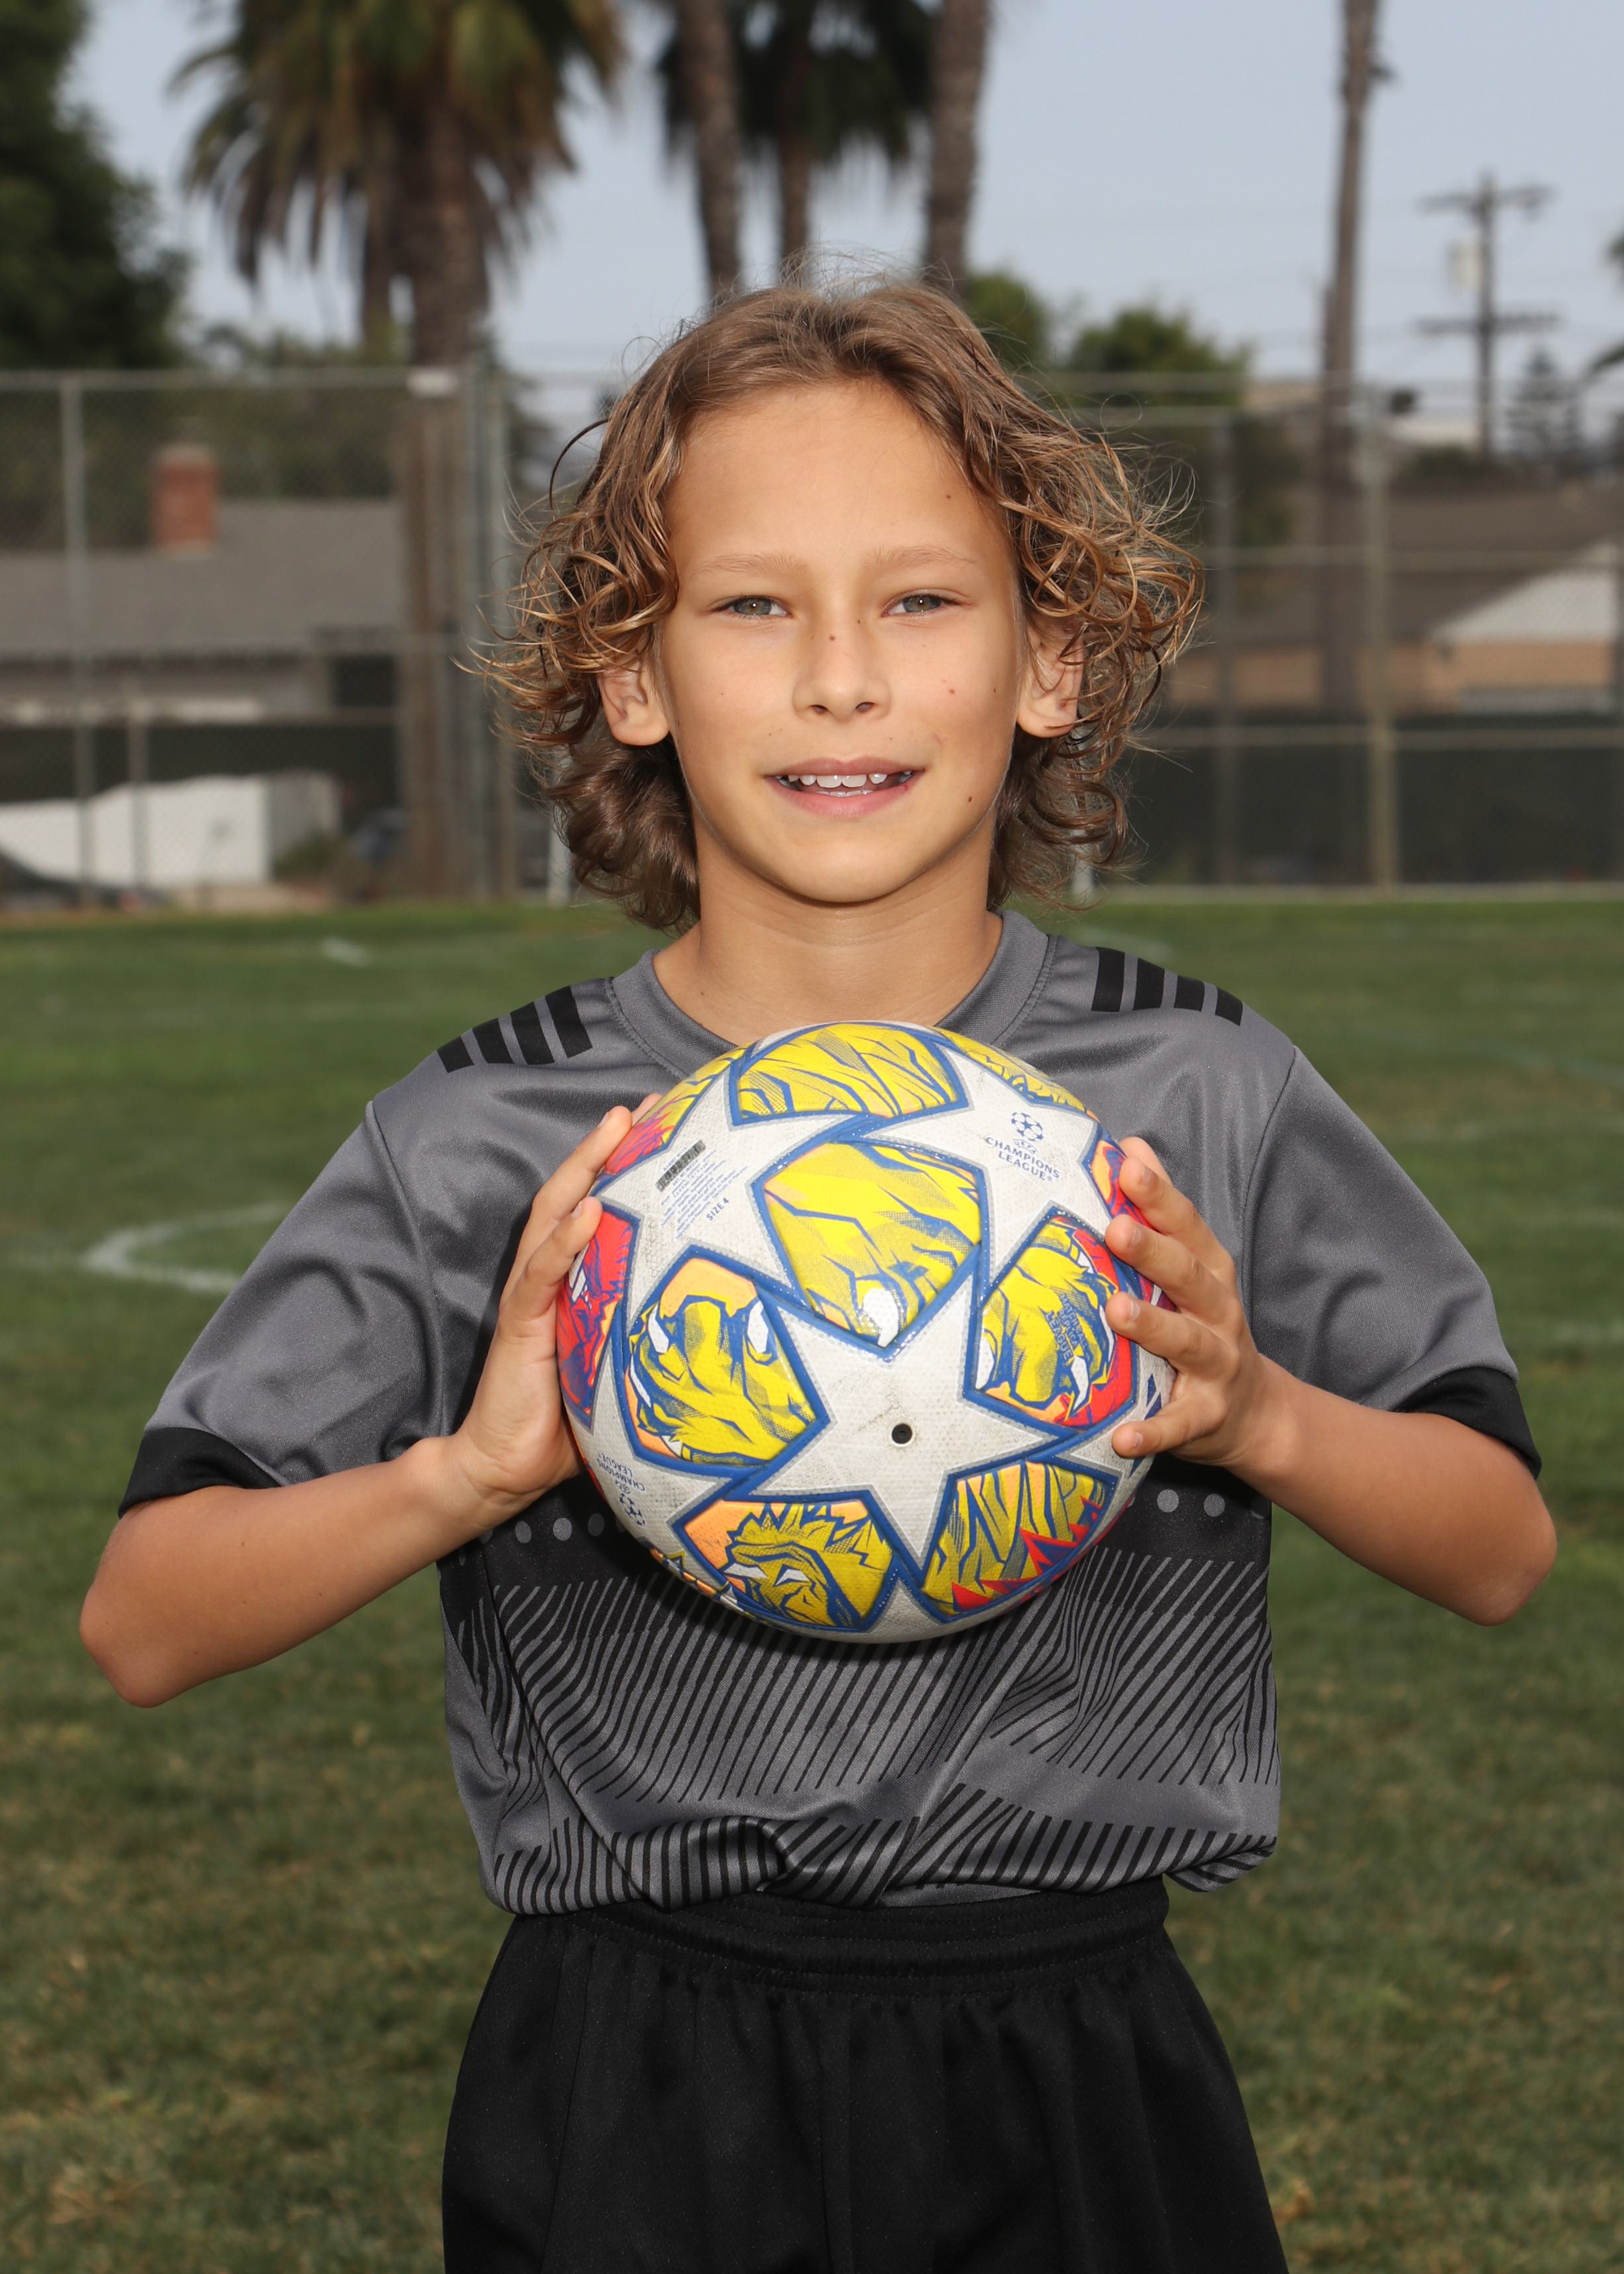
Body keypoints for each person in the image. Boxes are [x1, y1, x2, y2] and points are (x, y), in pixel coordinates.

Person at [81, 282, 1556, 2274]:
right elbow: (145, 1619)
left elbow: (1498, 1546)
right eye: (754, 606)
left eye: (921, 601)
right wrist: (471, 1469)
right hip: (636, 2069)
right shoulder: (498, 1138)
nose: (841, 679)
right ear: (632, 675)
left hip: (1080, 2051)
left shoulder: (1194, 1095)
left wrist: (1260, 1413)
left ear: (1050, 660)